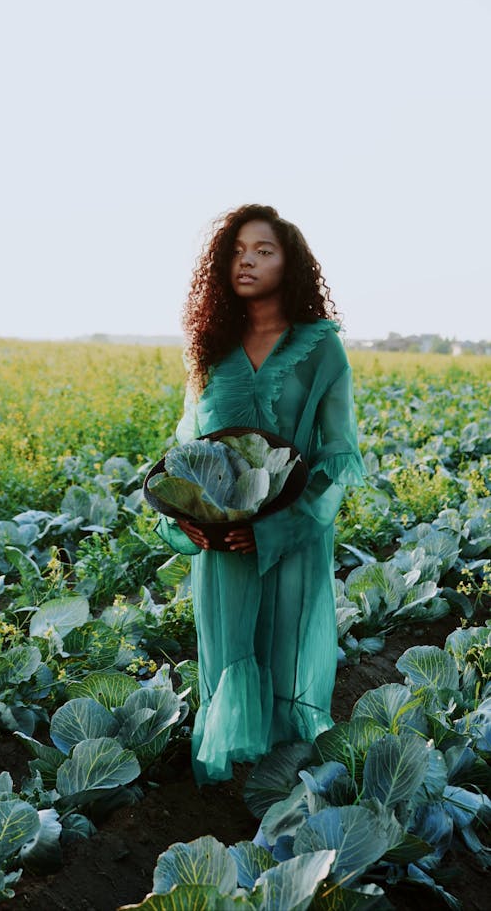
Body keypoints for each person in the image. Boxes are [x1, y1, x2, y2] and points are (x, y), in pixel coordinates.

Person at [157, 204, 365, 785]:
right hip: (222, 544)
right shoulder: (207, 348)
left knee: (285, 645)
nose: (247, 260)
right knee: (227, 651)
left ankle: (284, 777)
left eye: (264, 250)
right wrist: (186, 521)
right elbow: (187, 448)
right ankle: (229, 776)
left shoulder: (321, 349)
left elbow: (338, 453)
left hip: (291, 537)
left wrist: (279, 528)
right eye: (238, 251)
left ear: (290, 262)